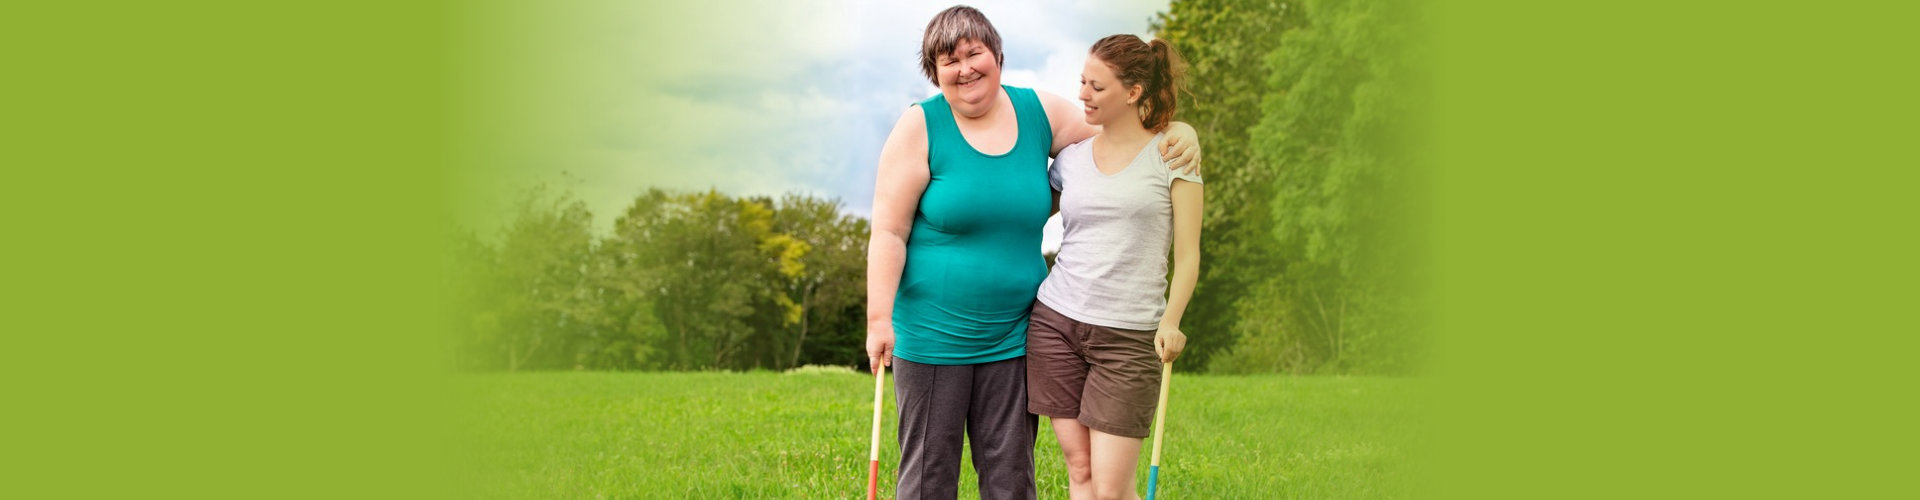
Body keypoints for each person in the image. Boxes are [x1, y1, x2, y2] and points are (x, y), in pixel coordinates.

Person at [865, 6, 1203, 499]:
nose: (964, 68)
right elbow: (889, 233)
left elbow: (1121, 138)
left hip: (1015, 333)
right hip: (934, 334)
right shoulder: (919, 127)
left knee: (1010, 476)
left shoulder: (1040, 113)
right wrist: (879, 319)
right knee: (928, 477)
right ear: (933, 73)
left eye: (974, 53)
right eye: (947, 60)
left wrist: (1179, 132)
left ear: (997, 55)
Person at [1024, 34, 1202, 500]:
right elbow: (1019, 211)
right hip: (1056, 325)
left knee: (1111, 487)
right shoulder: (1069, 161)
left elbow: (1188, 256)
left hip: (1128, 337)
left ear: (1134, 92)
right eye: (1082, 81)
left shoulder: (1173, 157)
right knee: (1079, 471)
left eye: (1097, 87)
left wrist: (1172, 320)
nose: (1083, 94)